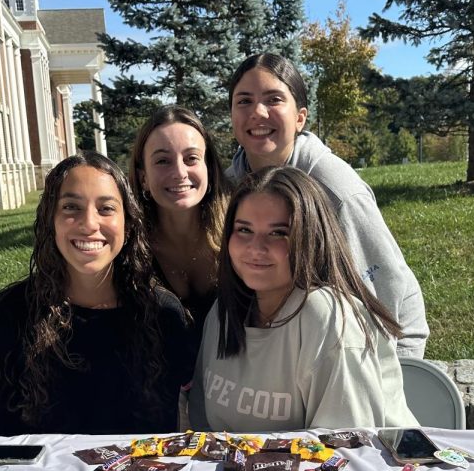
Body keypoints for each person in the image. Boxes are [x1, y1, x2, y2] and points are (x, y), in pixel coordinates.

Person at [226, 52, 429, 358]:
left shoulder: (336, 191)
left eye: (274, 99)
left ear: (300, 117)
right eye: (244, 101)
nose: (257, 112)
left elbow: (391, 296)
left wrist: (395, 380)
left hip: (344, 361)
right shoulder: (225, 190)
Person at [189, 165, 418, 433]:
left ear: (312, 238)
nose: (256, 248)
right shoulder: (224, 311)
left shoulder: (328, 316)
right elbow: (202, 429)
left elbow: (343, 452)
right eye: (244, 230)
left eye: (278, 233)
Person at [0, 152, 192, 436]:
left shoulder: (163, 314)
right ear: (50, 221)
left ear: (128, 225)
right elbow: (3, 440)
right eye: (71, 207)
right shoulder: (11, 313)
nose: (89, 224)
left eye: (106, 209)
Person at [129, 106, 230, 328]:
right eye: (163, 161)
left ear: (209, 170)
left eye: (191, 158)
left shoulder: (239, 235)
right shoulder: (128, 249)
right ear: (143, 177)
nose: (179, 172)